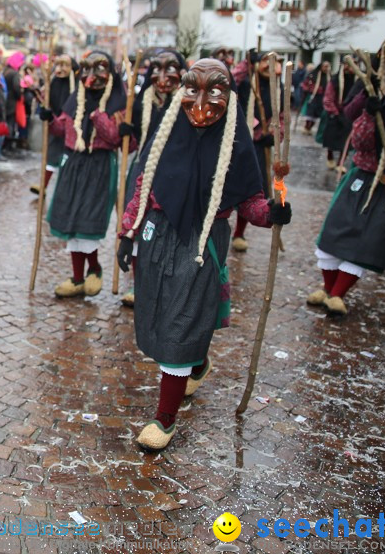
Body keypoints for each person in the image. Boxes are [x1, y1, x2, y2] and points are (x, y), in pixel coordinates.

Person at [117, 58, 291, 452]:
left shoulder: (235, 141)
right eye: (192, 88)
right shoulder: (166, 132)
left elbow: (251, 200)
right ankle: (196, 364)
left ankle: (165, 417)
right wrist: (128, 234)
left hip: (201, 244)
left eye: (214, 90)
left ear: (228, 96)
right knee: (160, 316)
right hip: (156, 237)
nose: (201, 101)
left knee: (182, 322)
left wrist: (273, 213)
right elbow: (143, 185)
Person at [308, 35, 385, 316]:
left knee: (369, 242)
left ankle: (338, 293)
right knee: (334, 234)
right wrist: (368, 103)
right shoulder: (369, 81)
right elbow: (349, 113)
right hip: (363, 172)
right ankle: (330, 290)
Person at [38, 51, 125, 298]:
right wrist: (48, 119)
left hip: (98, 165)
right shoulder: (75, 99)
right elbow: (61, 128)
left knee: (88, 218)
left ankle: (94, 269)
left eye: (99, 69)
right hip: (73, 164)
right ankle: (77, 277)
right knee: (70, 219)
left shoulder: (118, 103)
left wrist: (95, 113)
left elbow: (113, 137)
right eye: (87, 69)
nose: (91, 76)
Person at [116, 50, 187, 308]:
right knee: (137, 229)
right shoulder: (140, 102)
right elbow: (133, 142)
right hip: (143, 171)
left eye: (170, 68)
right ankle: (140, 287)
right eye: (156, 68)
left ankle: (169, 288)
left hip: (178, 175)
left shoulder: (189, 102)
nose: (163, 76)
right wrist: (126, 133)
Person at [231, 51, 279, 253]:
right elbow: (231, 79)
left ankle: (239, 233)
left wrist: (275, 135)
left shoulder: (278, 88)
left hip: (258, 148)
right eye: (264, 62)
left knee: (249, 188)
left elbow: (282, 115)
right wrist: (246, 63)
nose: (268, 66)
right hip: (236, 139)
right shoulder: (246, 83)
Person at [30, 55, 74, 196]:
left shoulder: (75, 83)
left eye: (65, 65)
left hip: (70, 124)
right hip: (54, 123)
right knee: (51, 155)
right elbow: (46, 98)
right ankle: (43, 186)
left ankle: (65, 190)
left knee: (68, 158)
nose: (61, 69)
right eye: (59, 65)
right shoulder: (53, 82)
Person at [318, 58, 357, 170]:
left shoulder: (356, 81)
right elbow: (328, 98)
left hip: (349, 115)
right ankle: (330, 157)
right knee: (331, 139)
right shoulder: (335, 80)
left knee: (346, 142)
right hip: (335, 113)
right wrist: (334, 112)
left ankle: (340, 163)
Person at [300, 61, 326, 134]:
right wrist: (311, 88)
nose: (326, 68)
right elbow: (305, 84)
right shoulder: (313, 75)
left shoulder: (327, 76)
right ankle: (306, 127)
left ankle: (310, 128)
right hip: (312, 97)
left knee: (316, 115)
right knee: (310, 114)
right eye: (325, 66)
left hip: (321, 98)